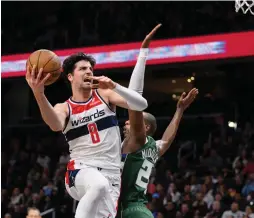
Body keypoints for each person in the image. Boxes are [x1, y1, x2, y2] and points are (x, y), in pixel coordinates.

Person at [25, 37, 149, 217]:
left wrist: (115, 86)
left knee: (102, 190)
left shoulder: (105, 95)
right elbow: (54, 124)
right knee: (98, 185)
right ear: (70, 76)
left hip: (112, 175)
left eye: (90, 69)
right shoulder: (64, 107)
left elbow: (141, 105)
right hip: (80, 171)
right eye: (83, 69)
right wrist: (39, 94)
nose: (88, 71)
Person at [116, 24, 198, 217]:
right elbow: (168, 139)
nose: (127, 123)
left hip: (128, 209)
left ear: (145, 127)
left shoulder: (136, 140)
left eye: (132, 122)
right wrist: (179, 110)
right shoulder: (153, 146)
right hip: (137, 208)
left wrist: (143, 50)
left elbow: (134, 98)